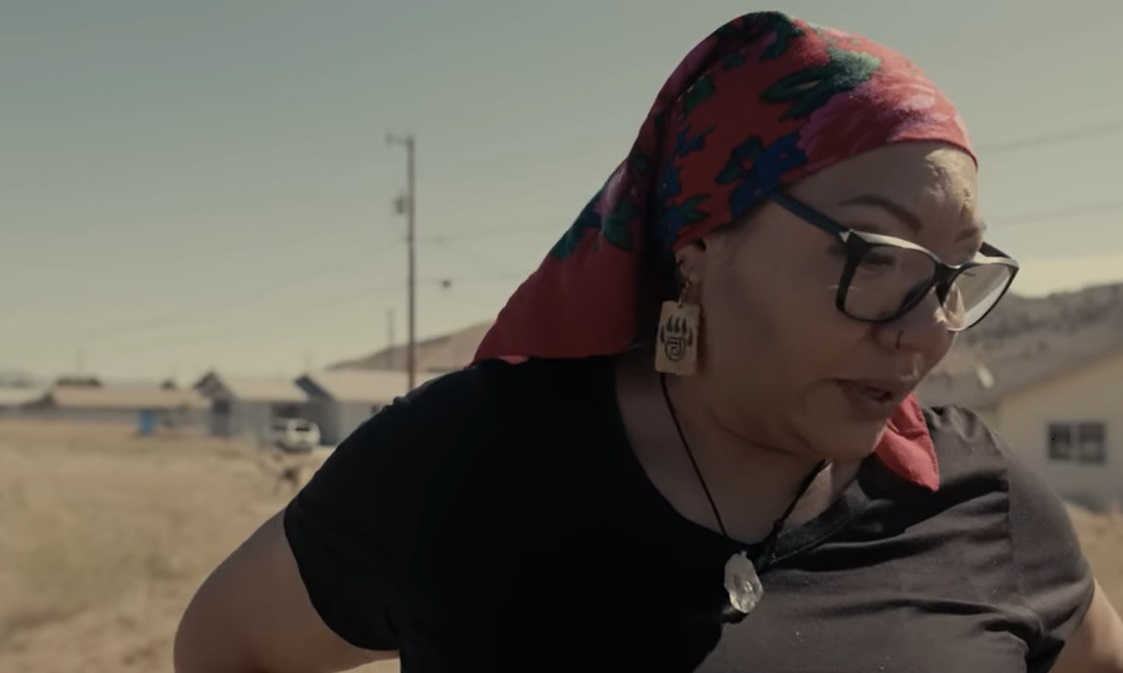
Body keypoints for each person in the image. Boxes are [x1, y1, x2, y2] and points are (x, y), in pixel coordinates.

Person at [173, 11, 1123, 673]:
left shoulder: (982, 502)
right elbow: (230, 646)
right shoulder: (462, 461)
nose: (925, 330)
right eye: (873, 257)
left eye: (955, 275)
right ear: (699, 249)